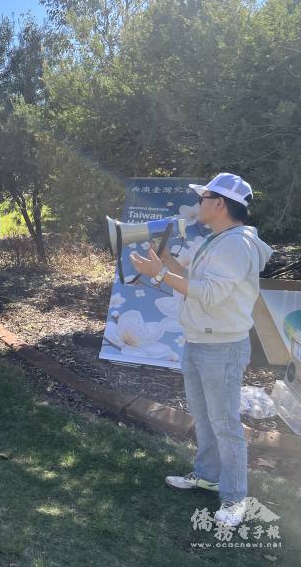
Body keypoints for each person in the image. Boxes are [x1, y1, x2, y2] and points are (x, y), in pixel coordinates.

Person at [129, 172, 272, 528]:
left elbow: (208, 294)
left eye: (203, 198)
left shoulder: (236, 245)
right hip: (200, 342)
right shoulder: (219, 239)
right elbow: (193, 281)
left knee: (225, 424)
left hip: (222, 348)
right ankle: (207, 475)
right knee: (205, 417)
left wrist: (159, 275)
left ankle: (235, 497)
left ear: (220, 204)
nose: (198, 204)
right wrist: (164, 262)